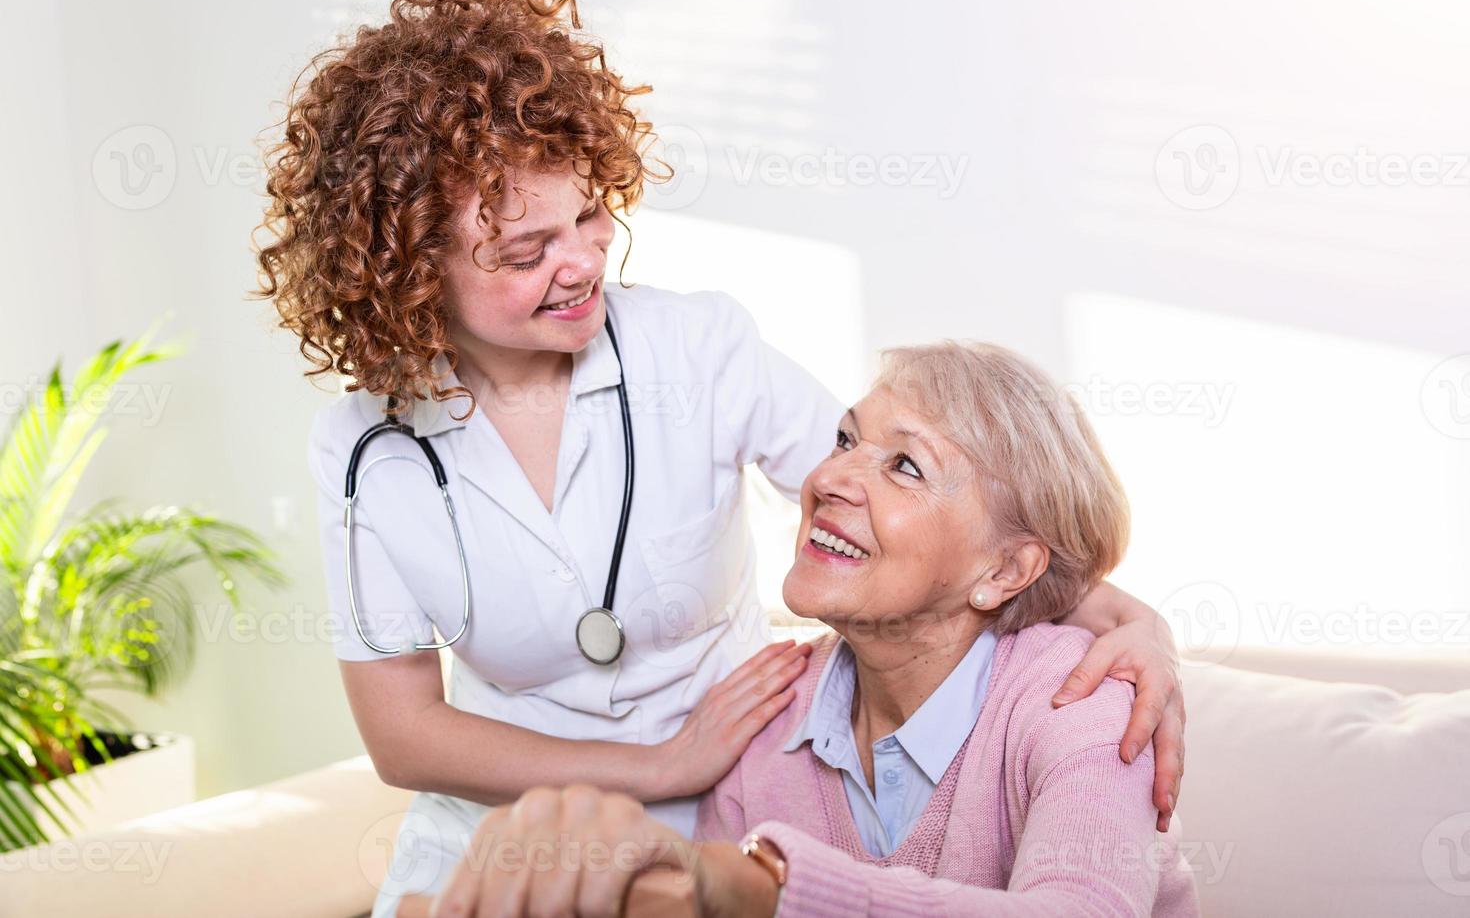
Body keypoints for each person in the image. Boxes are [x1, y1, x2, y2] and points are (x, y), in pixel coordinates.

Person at [252, 0, 1186, 916]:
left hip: (719, 822)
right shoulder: (366, 450)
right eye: (525, 253)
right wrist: (656, 759)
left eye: (586, 215)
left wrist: (1130, 623)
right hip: (495, 823)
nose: (581, 262)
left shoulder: (697, 350)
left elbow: (913, 499)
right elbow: (405, 734)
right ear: (412, 269)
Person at [418, 341, 1200, 917]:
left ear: (1004, 571)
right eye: (845, 440)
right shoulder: (764, 722)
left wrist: (767, 885)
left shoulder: (1088, 702)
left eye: (904, 467)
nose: (827, 479)